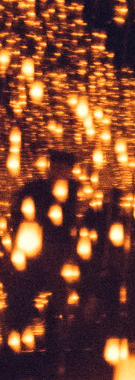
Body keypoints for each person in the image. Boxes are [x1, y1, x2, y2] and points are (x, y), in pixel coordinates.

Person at [4, 149, 80, 355]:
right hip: (33, 256)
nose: (60, 172)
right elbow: (18, 219)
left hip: (55, 258)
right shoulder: (35, 190)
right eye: (57, 167)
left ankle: (51, 350)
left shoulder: (72, 193)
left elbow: (70, 229)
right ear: (50, 168)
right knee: (23, 304)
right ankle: (15, 349)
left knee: (55, 307)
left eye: (64, 168)